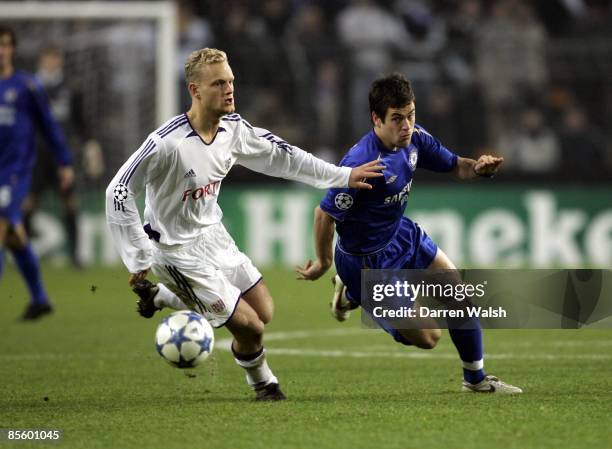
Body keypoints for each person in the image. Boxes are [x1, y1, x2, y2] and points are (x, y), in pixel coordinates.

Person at [105, 48, 384, 401]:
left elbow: (286, 158)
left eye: (231, 81)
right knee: (251, 327)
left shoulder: (234, 130)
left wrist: (343, 175)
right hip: (174, 251)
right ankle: (264, 383)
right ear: (195, 90)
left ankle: (162, 296)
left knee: (264, 311)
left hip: (212, 237)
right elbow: (117, 189)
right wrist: (138, 255)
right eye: (219, 83)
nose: (229, 89)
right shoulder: (166, 143)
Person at [296, 73, 522, 394]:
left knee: (458, 297)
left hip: (402, 234)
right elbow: (324, 213)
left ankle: (477, 380)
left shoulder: (414, 138)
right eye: (397, 118)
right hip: (367, 263)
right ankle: (355, 293)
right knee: (430, 337)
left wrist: (478, 169)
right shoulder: (362, 162)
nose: (406, 125)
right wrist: (322, 261)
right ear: (377, 118)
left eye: (411, 115)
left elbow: (457, 165)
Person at [0, 26, 75, 320]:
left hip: (14, 170)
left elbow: (49, 126)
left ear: (13, 49)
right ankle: (40, 298)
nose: (1, 50)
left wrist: (64, 161)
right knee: (15, 236)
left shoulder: (27, 86)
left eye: (6, 44)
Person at [23, 45, 104, 268]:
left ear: (59, 60)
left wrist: (90, 144)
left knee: (70, 203)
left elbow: (80, 121)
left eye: (54, 58)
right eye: (47, 58)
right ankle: (25, 256)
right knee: (29, 204)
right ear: (41, 60)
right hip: (36, 155)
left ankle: (75, 256)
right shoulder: (29, 87)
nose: (51, 62)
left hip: (62, 155)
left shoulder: (71, 88)